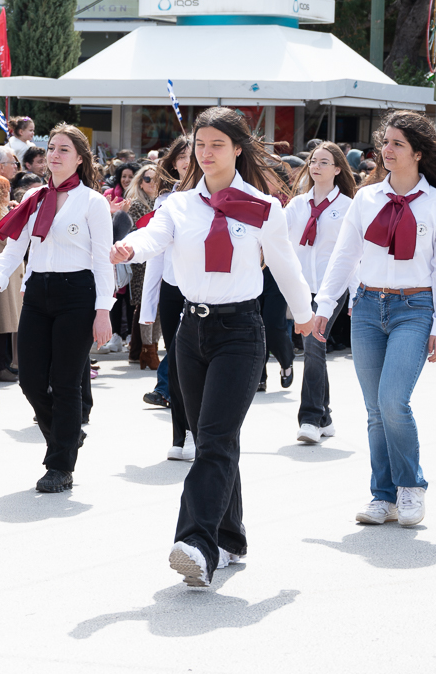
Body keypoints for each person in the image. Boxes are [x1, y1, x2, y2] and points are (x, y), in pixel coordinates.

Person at [113, 108, 314, 589]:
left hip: (240, 332)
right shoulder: (179, 205)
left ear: (238, 149)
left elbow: (285, 265)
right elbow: (154, 237)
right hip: (190, 331)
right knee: (212, 441)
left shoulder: (263, 207)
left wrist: (305, 316)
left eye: (217, 144)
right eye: (200, 144)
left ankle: (196, 544)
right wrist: (129, 247)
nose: (205, 153)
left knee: (217, 439)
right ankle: (230, 539)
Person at [314, 110, 436, 526]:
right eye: (386, 142)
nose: (387, 150)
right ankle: (383, 495)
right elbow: (345, 254)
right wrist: (325, 304)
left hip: (415, 308)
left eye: (397, 144)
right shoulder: (366, 198)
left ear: (418, 152)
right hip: (366, 307)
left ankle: (411, 485)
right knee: (375, 410)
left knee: (393, 402)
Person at [0, 125, 113, 493]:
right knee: (30, 379)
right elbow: (14, 248)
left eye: (64, 149)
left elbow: (103, 261)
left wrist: (103, 311)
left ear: (80, 158)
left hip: (78, 293)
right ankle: (66, 436)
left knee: (66, 382)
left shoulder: (93, 202)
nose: (54, 154)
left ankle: (60, 466)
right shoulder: (34, 197)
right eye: (51, 147)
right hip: (37, 291)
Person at [286, 141, 356, 446]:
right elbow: (277, 239)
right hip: (302, 288)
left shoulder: (348, 207)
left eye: (324, 162)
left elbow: (355, 254)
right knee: (314, 347)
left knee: (313, 345)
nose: (316, 166)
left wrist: (355, 294)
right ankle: (324, 416)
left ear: (338, 169)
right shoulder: (297, 205)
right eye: (313, 161)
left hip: (332, 289)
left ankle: (310, 418)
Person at [138, 135, 194, 456]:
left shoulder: (219, 195)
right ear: (173, 163)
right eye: (181, 156)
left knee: (197, 366)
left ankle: (199, 431)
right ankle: (179, 436)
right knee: (176, 365)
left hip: (208, 292)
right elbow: (155, 254)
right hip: (174, 290)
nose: (187, 161)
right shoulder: (165, 201)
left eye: (193, 154)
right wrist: (148, 308)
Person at [125, 163, 164, 369]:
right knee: (146, 305)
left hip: (158, 259)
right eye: (147, 179)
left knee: (156, 306)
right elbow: (135, 233)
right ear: (140, 182)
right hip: (142, 261)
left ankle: (149, 348)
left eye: (156, 179)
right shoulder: (137, 204)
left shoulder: (161, 202)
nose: (152, 183)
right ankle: (146, 350)